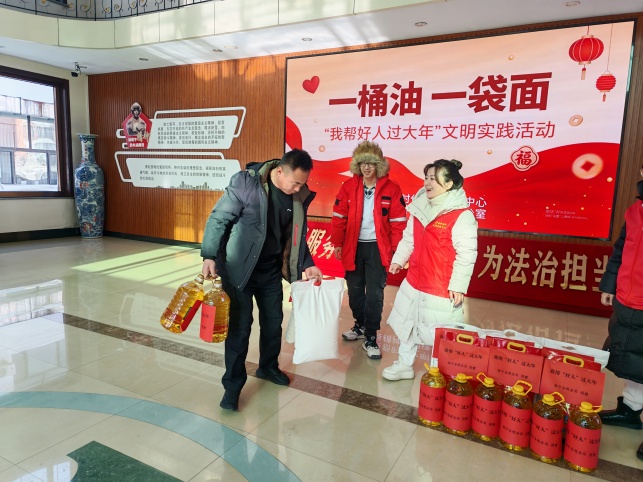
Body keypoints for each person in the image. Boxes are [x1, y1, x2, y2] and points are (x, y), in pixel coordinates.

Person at [201, 149, 323, 411]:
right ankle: (232, 387)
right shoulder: (246, 183)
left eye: (302, 183)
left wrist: (308, 263)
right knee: (240, 329)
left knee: (272, 324)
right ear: (280, 171)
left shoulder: (297, 196)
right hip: (239, 270)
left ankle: (268, 367)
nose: (298, 188)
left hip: (270, 272)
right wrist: (209, 254)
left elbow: (295, 237)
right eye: (295, 182)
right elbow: (219, 217)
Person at [382, 159, 478, 381]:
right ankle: (404, 365)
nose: (427, 183)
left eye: (434, 179)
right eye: (426, 177)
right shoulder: (419, 205)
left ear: (449, 184)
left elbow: (467, 254)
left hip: (440, 285)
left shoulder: (461, 215)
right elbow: (409, 237)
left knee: (439, 333)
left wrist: (458, 286)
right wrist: (399, 259)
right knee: (407, 323)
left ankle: (438, 373)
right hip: (414, 279)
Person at [331, 141, 407, 359]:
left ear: (379, 166)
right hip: (353, 246)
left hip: (378, 248)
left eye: (371, 163)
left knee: (374, 293)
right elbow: (339, 217)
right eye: (362, 163)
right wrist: (337, 243)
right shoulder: (348, 187)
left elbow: (398, 223)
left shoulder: (392, 189)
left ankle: (371, 336)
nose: (366, 167)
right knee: (355, 291)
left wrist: (397, 252)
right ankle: (360, 325)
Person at [598, 170, 643, 460]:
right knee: (632, 359)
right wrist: (610, 284)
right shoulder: (635, 211)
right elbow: (620, 251)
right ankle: (630, 409)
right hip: (628, 298)